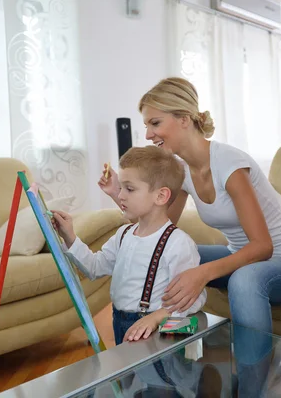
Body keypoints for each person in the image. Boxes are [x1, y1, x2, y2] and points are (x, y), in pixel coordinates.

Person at [99, 77, 281, 397]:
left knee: (243, 280)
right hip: (242, 258)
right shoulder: (182, 171)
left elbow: (263, 247)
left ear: (184, 119)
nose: (148, 134)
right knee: (172, 257)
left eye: (155, 122)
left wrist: (202, 272)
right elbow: (159, 232)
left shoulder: (230, 163)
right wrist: (118, 193)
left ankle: (252, 389)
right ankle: (166, 359)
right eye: (146, 125)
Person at [52, 145, 207, 345]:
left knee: (157, 377)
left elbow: (192, 298)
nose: (121, 196)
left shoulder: (178, 244)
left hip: (158, 330)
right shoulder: (123, 234)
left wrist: (158, 316)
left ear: (160, 196)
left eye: (129, 189)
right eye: (121, 188)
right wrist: (70, 237)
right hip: (120, 321)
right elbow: (94, 268)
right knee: (128, 376)